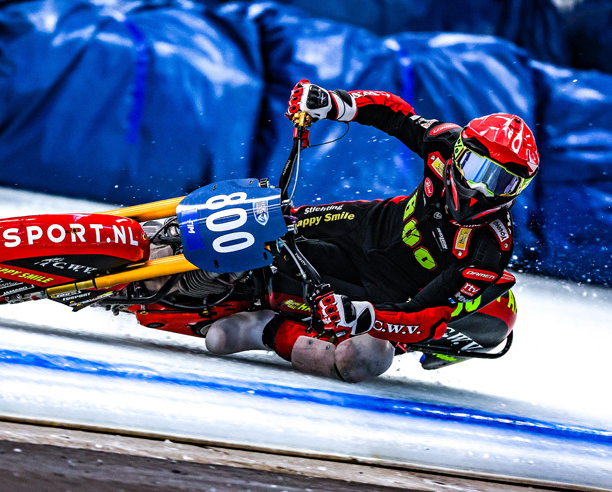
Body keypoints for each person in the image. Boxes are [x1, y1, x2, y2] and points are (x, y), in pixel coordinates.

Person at [204, 80, 540, 382]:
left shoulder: (490, 249)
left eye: (501, 182)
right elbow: (394, 113)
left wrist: (368, 317)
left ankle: (265, 329)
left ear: (518, 190)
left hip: (388, 291)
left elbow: (425, 315)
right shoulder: (444, 141)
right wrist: (336, 103)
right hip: (368, 224)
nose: (481, 188)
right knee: (274, 220)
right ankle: (180, 225)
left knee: (359, 359)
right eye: (476, 168)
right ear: (460, 152)